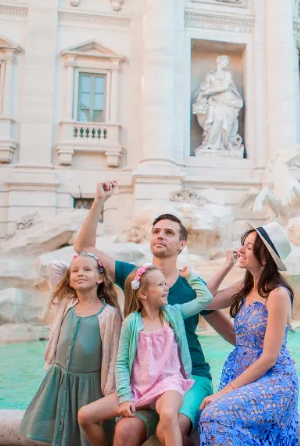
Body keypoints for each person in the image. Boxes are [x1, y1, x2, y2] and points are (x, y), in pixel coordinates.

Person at [74, 180, 236, 445]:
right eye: (156, 231)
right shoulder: (133, 277)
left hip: (189, 377)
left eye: (169, 233)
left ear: (182, 244)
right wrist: (99, 201)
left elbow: (230, 333)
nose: (161, 235)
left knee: (169, 428)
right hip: (143, 381)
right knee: (124, 432)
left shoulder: (191, 288)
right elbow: (84, 249)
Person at [76, 265, 212, 446]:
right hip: (137, 389)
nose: (167, 288)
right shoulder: (131, 322)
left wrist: (190, 276)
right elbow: (122, 363)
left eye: (166, 284)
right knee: (85, 415)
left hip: (168, 384)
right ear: (143, 294)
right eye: (160, 285)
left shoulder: (174, 313)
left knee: (169, 414)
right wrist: (124, 398)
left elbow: (205, 298)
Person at [198, 222, 299, 445]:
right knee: (209, 416)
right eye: (243, 244)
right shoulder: (243, 287)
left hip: (273, 380)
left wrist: (222, 393)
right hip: (241, 373)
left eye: (249, 247)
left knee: (215, 415)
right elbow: (204, 301)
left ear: (265, 258)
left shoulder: (277, 294)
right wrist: (227, 266)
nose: (241, 250)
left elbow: (269, 357)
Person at [19, 253, 122, 446]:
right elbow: (54, 265)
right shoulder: (66, 302)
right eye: (75, 271)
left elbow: (113, 357)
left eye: (87, 270)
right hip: (60, 379)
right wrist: (83, 262)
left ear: (100, 278)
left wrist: (111, 391)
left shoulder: (110, 314)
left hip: (89, 385)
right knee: (61, 433)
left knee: (85, 438)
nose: (79, 274)